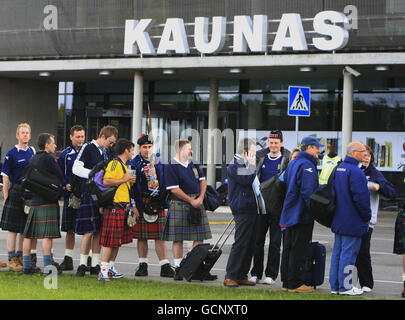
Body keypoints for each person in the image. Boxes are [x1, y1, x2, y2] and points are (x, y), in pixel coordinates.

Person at [163, 139, 213, 281]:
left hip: (197, 202)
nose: (191, 151)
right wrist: (191, 200)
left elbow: (202, 181)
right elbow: (174, 189)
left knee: (199, 237)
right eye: (189, 149)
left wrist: (201, 198)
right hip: (180, 204)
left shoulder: (193, 163)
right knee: (178, 238)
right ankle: (179, 269)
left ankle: (195, 267)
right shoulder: (171, 166)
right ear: (180, 150)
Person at [279, 136, 324, 293]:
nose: (319, 150)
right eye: (317, 147)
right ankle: (295, 283)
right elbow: (308, 193)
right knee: (298, 250)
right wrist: (316, 212)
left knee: (289, 249)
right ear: (309, 148)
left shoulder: (294, 162)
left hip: (289, 212)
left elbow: (282, 182)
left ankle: (286, 282)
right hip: (301, 214)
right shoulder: (307, 166)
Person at [72, 125, 118, 276]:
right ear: (103, 137)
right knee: (89, 231)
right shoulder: (88, 147)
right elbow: (76, 168)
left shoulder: (104, 152)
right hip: (89, 192)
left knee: (98, 230)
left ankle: (95, 264)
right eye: (110, 142)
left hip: (101, 195)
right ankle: (82, 264)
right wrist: (93, 175)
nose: (111, 145)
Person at [329, 142, 372, 296]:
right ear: (353, 153)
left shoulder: (337, 169)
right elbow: (361, 199)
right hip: (352, 221)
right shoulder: (356, 172)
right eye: (362, 152)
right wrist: (367, 216)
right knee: (348, 254)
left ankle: (335, 286)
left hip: (339, 219)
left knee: (338, 254)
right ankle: (346, 286)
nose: (365, 155)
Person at [130, 134, 175, 278]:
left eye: (150, 147)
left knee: (159, 236)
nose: (147, 150)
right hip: (142, 201)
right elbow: (131, 186)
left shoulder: (159, 160)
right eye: (144, 147)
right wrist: (134, 206)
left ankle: (164, 265)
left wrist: (166, 203)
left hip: (158, 201)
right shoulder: (134, 163)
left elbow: (166, 180)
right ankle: (143, 264)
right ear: (139, 148)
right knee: (142, 237)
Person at [250, 130, 290, 285]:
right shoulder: (260, 157)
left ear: (281, 143)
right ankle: (255, 273)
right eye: (271, 143)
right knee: (258, 241)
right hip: (261, 206)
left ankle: (271, 274)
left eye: (276, 143)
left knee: (275, 242)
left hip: (277, 207)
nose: (273, 146)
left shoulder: (287, 159)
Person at [22, 133, 63, 275]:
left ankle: (26, 267)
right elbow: (60, 176)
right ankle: (47, 269)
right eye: (53, 143)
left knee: (28, 236)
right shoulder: (49, 159)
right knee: (47, 236)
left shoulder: (33, 158)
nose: (55, 145)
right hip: (48, 201)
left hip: (34, 201)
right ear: (46, 145)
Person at [355, 145, 395, 292]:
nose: (366, 158)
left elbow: (391, 191)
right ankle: (347, 283)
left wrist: (378, 187)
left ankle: (366, 284)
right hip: (349, 219)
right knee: (349, 252)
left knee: (363, 251)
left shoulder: (374, 173)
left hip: (367, 221)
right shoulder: (351, 169)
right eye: (364, 155)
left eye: (369, 156)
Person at [0, 123, 37, 272]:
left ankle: (21, 256)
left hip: (29, 193)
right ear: (17, 135)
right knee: (12, 230)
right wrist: (6, 196)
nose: (25, 135)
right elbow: (5, 176)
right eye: (22, 133)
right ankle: (12, 259)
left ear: (30, 135)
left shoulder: (32, 152)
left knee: (24, 228)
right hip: (15, 191)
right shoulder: (11, 153)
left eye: (27, 133)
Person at [98, 138, 136, 281]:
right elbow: (106, 181)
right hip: (114, 206)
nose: (133, 153)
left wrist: (128, 181)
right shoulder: (114, 163)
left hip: (123, 207)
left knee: (117, 241)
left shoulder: (124, 165)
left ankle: (110, 268)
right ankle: (103, 270)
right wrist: (124, 179)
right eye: (132, 150)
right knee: (109, 241)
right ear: (126, 150)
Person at [224, 137, 259, 288]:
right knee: (240, 242)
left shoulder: (244, 164)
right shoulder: (235, 164)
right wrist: (252, 166)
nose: (255, 154)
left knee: (250, 243)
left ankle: (241, 274)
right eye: (253, 151)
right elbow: (246, 180)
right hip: (242, 207)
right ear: (245, 151)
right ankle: (230, 275)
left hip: (251, 207)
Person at [57, 125, 85, 271]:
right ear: (71, 137)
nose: (80, 139)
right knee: (69, 229)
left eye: (82, 136)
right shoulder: (65, 154)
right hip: (70, 196)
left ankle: (88, 261)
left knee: (89, 230)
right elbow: (59, 173)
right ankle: (68, 259)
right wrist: (64, 184)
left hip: (86, 197)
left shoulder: (89, 152)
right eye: (78, 137)